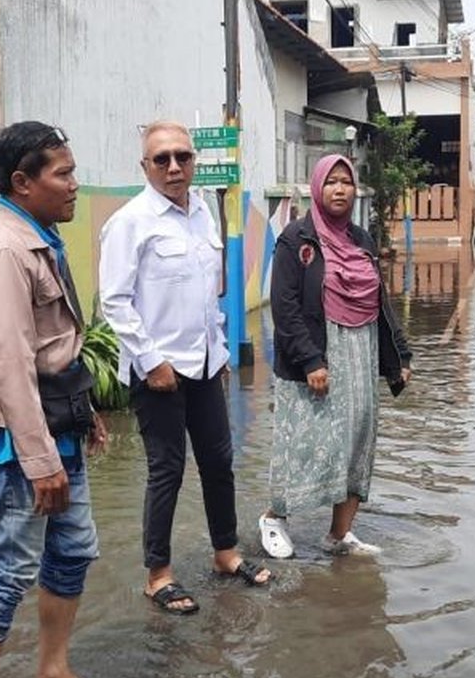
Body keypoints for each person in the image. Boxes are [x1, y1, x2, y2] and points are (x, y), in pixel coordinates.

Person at [99, 120, 271, 616]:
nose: (174, 167)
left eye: (183, 157)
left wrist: (217, 353)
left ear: (194, 161)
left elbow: (205, 294)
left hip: (204, 367)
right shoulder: (131, 221)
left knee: (219, 463)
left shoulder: (202, 213)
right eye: (162, 159)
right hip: (159, 374)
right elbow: (115, 302)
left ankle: (225, 553)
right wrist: (152, 362)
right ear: (145, 166)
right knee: (166, 472)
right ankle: (159, 576)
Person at [0, 121, 107, 678]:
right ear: (22, 182)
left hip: (56, 426)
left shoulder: (39, 238)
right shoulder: (3, 252)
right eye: (63, 173)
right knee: (5, 571)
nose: (74, 184)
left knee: (72, 552)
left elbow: (54, 347)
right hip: (18, 446)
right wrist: (40, 460)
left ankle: (54, 667)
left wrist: (83, 412)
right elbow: (10, 364)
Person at [259, 153, 413, 559]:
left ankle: (339, 534)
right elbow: (285, 305)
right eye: (331, 181)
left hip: (361, 352)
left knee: (357, 439)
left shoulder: (361, 240)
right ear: (317, 187)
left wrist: (399, 354)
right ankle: (274, 518)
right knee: (307, 442)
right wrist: (311, 360)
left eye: (346, 181)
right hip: (319, 352)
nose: (340, 189)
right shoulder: (296, 239)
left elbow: (380, 302)